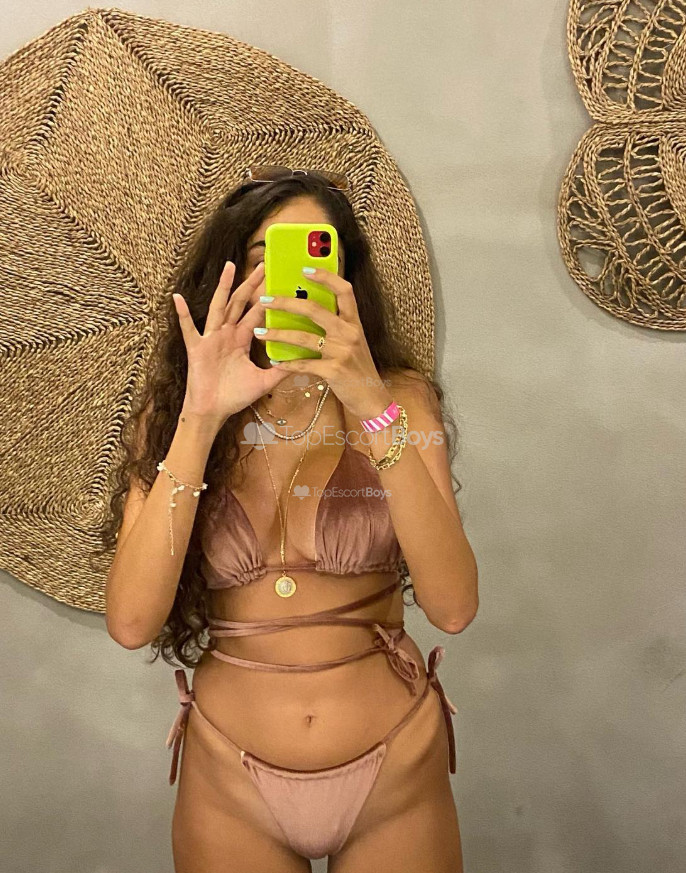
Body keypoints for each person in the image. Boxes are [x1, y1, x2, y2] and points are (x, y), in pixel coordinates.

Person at [105, 167, 479, 872]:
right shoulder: (176, 418)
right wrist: (201, 415)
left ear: (345, 278)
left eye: (315, 255)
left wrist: (369, 403)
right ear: (230, 279)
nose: (293, 281)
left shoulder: (400, 400)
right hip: (230, 780)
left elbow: (454, 605)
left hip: (396, 767)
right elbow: (131, 621)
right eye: (267, 258)